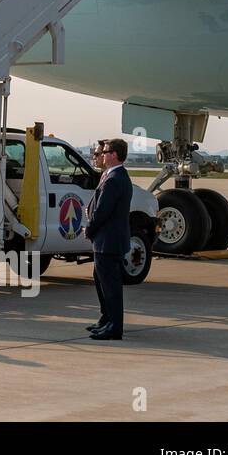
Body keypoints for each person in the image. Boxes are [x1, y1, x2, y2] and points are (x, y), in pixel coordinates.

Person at [85, 137, 132, 341]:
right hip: (106, 240)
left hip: (109, 240)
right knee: (102, 281)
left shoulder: (114, 179)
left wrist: (89, 228)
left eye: (104, 153)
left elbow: (103, 211)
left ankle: (114, 327)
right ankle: (107, 319)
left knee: (111, 286)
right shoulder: (112, 176)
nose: (101, 157)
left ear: (113, 155)